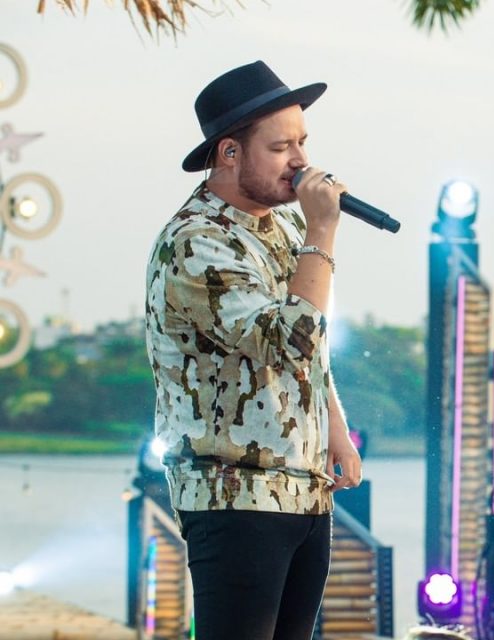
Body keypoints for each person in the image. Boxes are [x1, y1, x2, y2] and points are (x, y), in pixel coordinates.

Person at [145, 60, 362, 640]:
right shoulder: (197, 241)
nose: (301, 160)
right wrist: (323, 231)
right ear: (230, 154)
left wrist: (334, 429)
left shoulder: (279, 229)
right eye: (280, 146)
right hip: (233, 491)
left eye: (303, 142)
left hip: (304, 489)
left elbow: (313, 347)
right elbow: (284, 342)